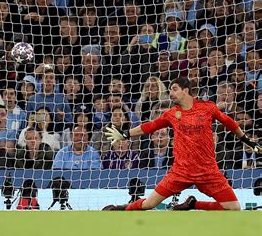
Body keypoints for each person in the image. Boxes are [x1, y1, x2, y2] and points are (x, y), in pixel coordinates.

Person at [103, 77, 261, 211]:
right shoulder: (171, 113)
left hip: (208, 171)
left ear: (186, 90)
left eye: (174, 89)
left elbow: (229, 122)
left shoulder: (207, 108)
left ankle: (194, 204)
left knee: (234, 208)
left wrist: (247, 140)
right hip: (181, 172)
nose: (171, 93)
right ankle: (122, 208)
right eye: (170, 89)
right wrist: (126, 134)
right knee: (149, 204)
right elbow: (150, 126)